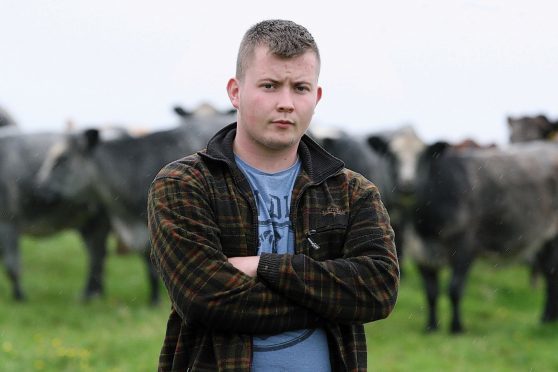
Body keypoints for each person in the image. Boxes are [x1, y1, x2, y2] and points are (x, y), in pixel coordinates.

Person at [147, 19, 399, 371]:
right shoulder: (184, 184)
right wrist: (330, 299)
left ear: (317, 96)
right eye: (269, 85)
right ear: (235, 91)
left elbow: (378, 290)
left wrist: (263, 266)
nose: (285, 103)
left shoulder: (352, 192)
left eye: (299, 88)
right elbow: (205, 298)